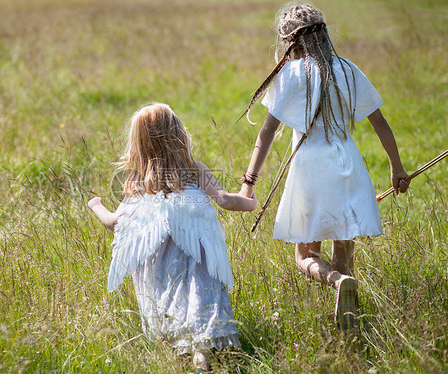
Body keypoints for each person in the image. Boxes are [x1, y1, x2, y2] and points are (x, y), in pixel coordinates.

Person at [238, 4, 410, 330]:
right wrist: (397, 170)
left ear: (289, 41)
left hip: (310, 171)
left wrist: (250, 181)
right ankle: (348, 322)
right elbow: (381, 123)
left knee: (304, 256)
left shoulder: (290, 74)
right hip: (350, 168)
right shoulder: (347, 69)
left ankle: (334, 281)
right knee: (345, 252)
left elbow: (268, 131)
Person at [88, 103, 257, 372]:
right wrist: (251, 202)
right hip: (197, 253)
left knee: (176, 305)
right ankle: (202, 361)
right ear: (179, 135)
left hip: (161, 262)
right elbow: (225, 200)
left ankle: (187, 355)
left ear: (139, 143)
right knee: (201, 302)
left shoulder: (138, 179)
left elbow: (114, 222)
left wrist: (95, 204)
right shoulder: (194, 168)